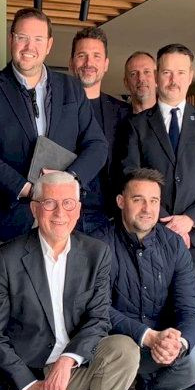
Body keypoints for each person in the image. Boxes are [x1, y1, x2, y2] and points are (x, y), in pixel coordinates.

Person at [0, 172, 139, 390]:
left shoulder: (96, 253)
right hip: (23, 375)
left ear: (78, 209)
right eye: (49, 203)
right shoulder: (6, 257)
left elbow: (98, 318)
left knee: (123, 349)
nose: (59, 213)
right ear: (34, 208)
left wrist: (67, 361)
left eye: (68, 203)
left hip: (70, 370)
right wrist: (32, 386)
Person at [121, 43, 195, 390]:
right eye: (166, 71)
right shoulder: (138, 124)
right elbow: (132, 175)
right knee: (152, 308)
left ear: (190, 76)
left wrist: (189, 220)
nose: (173, 79)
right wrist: (163, 221)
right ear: (156, 75)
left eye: (181, 72)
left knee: (192, 313)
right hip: (150, 231)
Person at [0, 7, 108, 249]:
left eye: (38, 39)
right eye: (22, 37)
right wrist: (29, 190)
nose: (30, 46)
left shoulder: (72, 88)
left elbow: (97, 145)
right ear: (11, 39)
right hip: (4, 221)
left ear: (49, 45)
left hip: (62, 221)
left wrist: (69, 180)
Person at [94, 168, 195, 390]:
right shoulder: (98, 244)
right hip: (110, 348)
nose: (147, 209)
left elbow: (191, 309)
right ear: (121, 201)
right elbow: (97, 308)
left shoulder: (174, 245)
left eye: (154, 201)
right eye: (138, 200)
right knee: (120, 350)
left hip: (156, 348)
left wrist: (177, 344)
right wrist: (147, 336)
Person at [68, 26, 129, 234]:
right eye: (82, 55)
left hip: (109, 218)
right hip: (64, 213)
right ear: (71, 62)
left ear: (106, 64)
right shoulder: (53, 107)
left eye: (96, 56)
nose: (89, 63)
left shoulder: (123, 113)